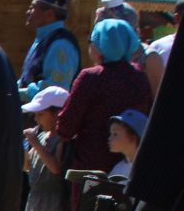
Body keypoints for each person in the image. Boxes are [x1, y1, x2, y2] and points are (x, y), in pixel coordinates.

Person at [53, 18, 153, 176]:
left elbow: (66, 126)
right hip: (129, 166)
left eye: (91, 41)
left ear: (100, 46)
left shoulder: (91, 77)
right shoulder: (141, 77)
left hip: (90, 168)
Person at [20, 85, 70, 211]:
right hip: (35, 201)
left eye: (41, 114)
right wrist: (22, 147)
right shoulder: (41, 138)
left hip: (52, 205)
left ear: (58, 114)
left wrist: (35, 143)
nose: (36, 120)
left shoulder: (62, 139)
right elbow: (27, 167)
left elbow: (55, 168)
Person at [19, 0, 81, 102]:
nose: (28, 12)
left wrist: (14, 94)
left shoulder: (61, 45)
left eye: (32, 8)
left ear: (49, 14)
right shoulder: (45, 39)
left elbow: (55, 91)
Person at [107, 110, 145, 181]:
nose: (109, 138)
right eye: (111, 134)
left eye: (115, 134)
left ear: (133, 137)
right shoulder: (119, 168)